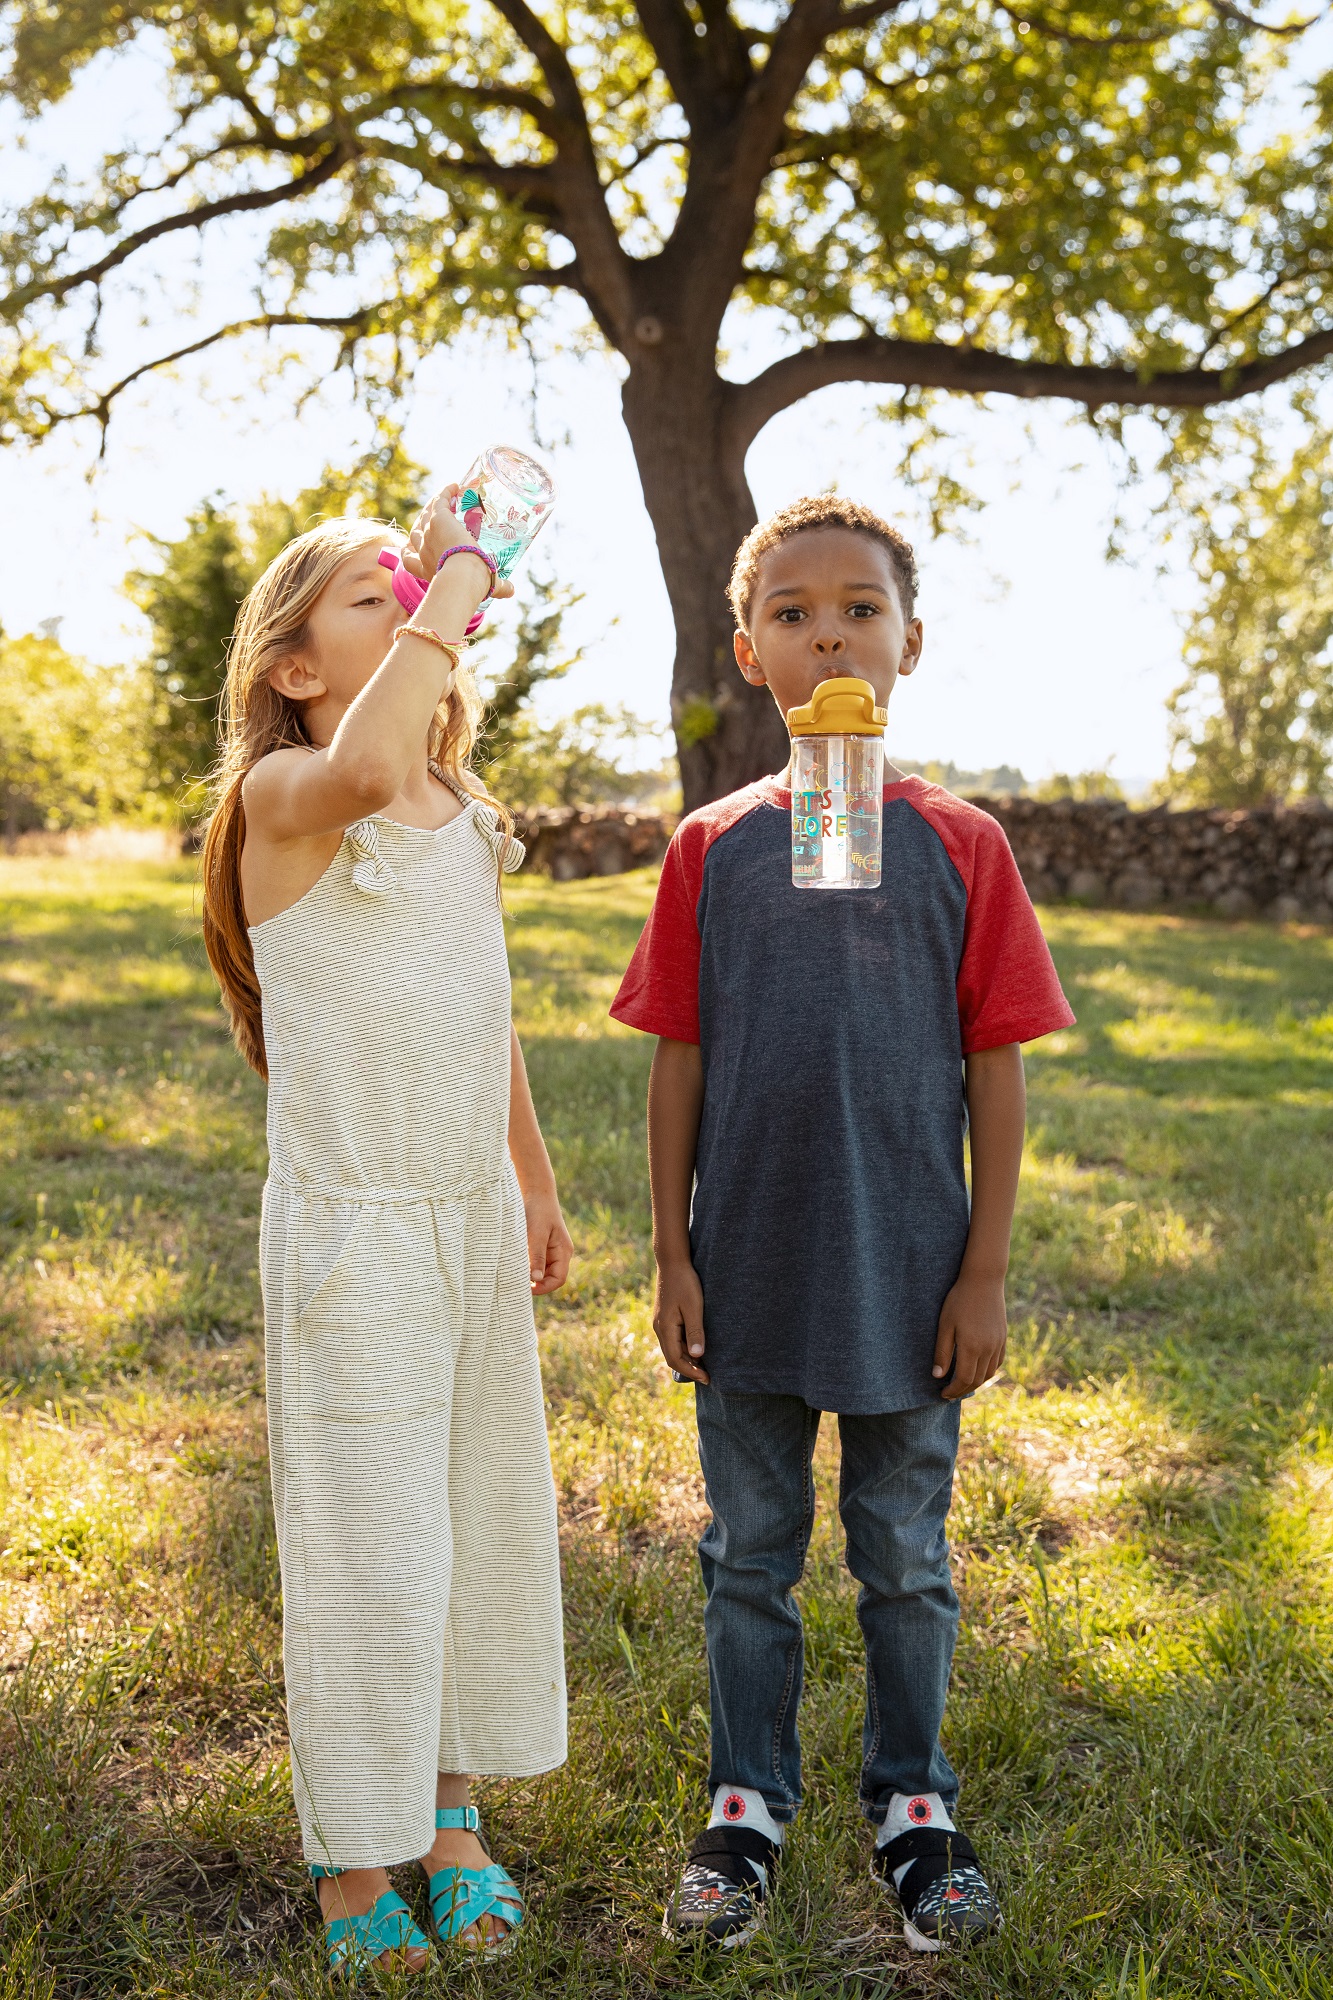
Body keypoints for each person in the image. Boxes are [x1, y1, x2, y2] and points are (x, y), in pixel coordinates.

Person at [610, 495, 1074, 1954]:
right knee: (749, 1555)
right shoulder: (711, 847)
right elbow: (677, 1057)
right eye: (793, 613)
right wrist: (673, 1253)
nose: (829, 635)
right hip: (746, 1267)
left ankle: (912, 1805)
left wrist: (983, 1271)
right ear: (749, 652)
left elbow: (993, 1065)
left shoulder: (962, 845)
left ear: (909, 644)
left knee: (905, 1559)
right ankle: (745, 1805)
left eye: (860, 609)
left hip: (907, 1275)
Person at [199, 493, 572, 1977]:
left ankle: (451, 1815)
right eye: (380, 595)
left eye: (415, 591)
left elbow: (487, 1012)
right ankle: (355, 1851)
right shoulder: (290, 793)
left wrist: (528, 1178)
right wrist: (461, 572)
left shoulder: (459, 812)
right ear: (295, 667)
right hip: (356, 1234)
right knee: (369, 1541)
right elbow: (365, 763)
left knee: (471, 1516)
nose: (415, 603)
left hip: (464, 1217)